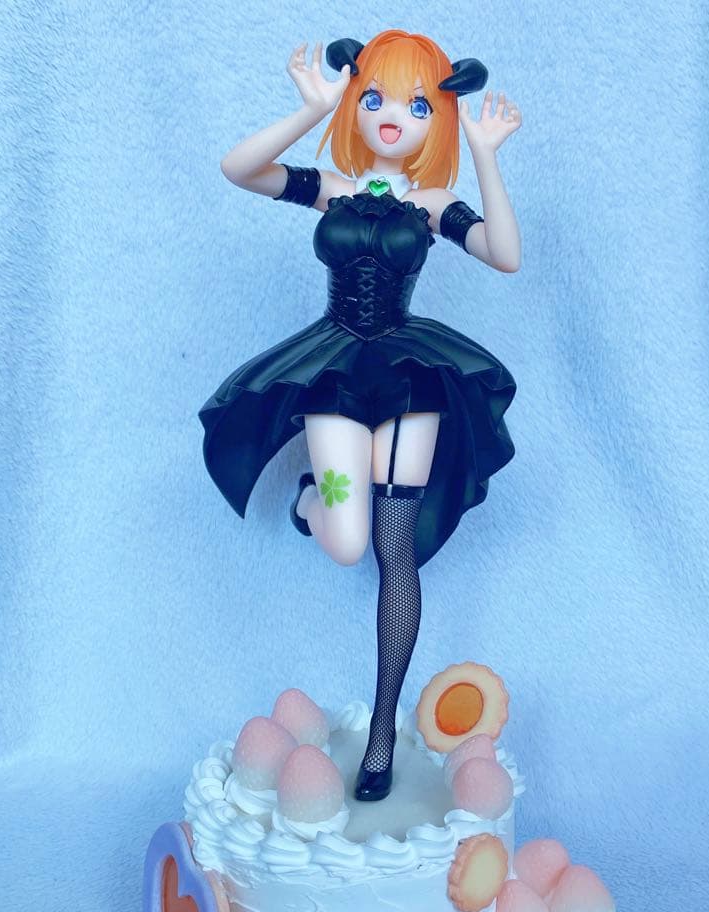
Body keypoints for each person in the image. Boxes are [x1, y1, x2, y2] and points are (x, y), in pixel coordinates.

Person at [200, 30, 522, 801]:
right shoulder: (331, 188)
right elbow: (238, 168)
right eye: (373, 95)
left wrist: (485, 154)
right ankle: (313, 500)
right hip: (338, 376)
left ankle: (380, 736)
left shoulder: (430, 203)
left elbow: (505, 254)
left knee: (392, 549)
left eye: (417, 104)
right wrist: (311, 109)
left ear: (436, 119)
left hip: (411, 383)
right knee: (346, 541)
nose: (391, 115)